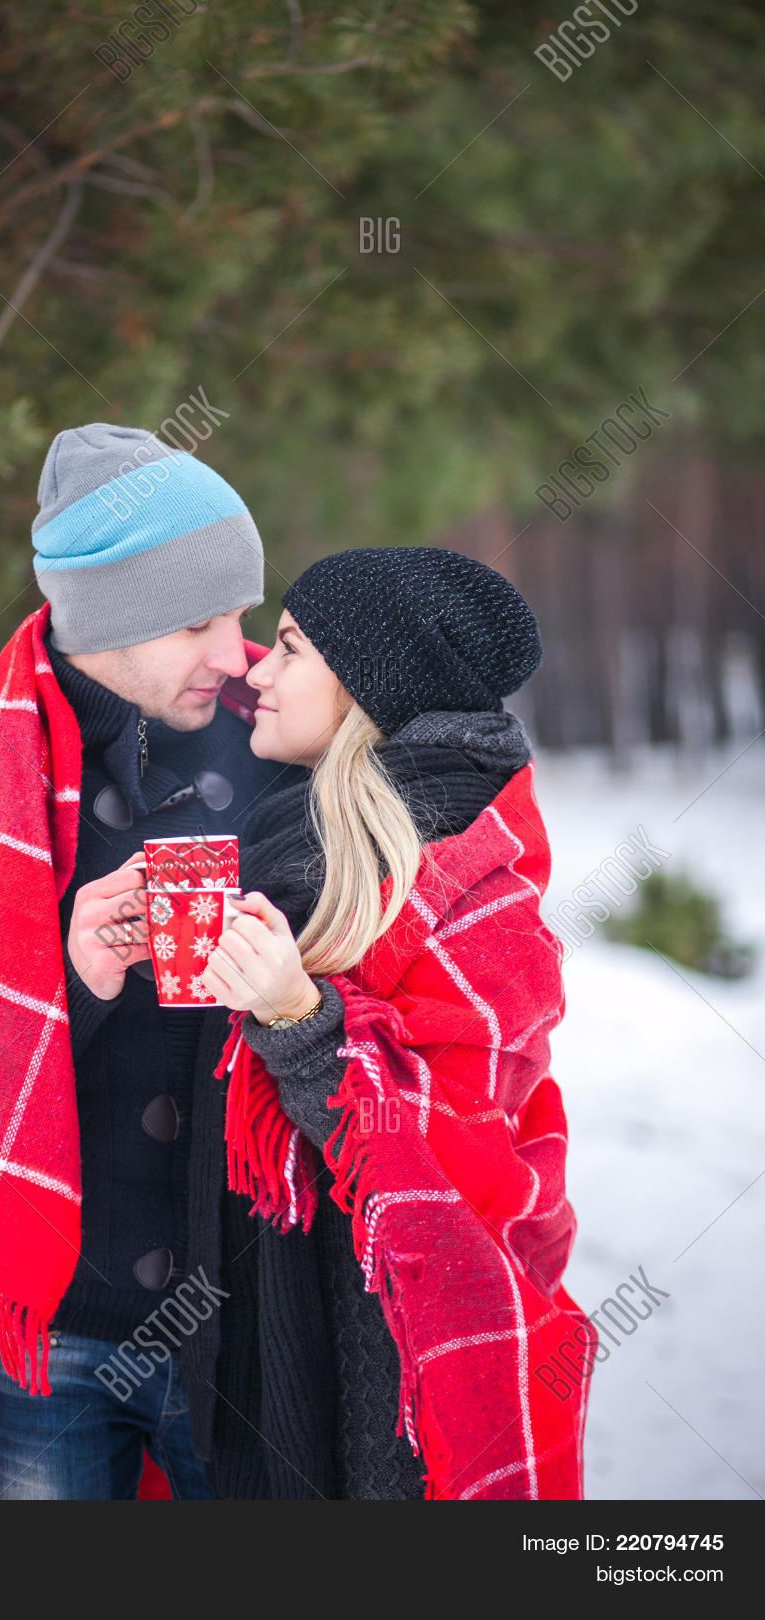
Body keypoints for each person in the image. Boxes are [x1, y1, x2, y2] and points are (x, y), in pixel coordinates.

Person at [0, 421, 310, 1500]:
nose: (235, 655)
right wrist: (66, 985)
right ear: (105, 619)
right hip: (42, 1333)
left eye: (240, 615)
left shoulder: (291, 748)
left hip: (246, 1326)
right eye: (197, 622)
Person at [176, 546, 597, 1499]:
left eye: (291, 647)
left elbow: (443, 1167)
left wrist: (300, 1018)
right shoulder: (290, 834)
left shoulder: (477, 887)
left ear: (369, 685)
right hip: (269, 1328)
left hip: (389, 1367)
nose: (257, 671)